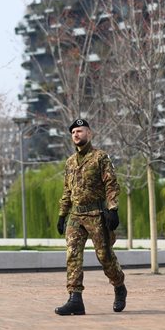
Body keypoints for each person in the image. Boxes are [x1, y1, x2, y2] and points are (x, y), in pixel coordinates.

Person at [55, 118, 127, 316]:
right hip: (76, 215)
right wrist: (62, 215)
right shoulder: (70, 162)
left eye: (80, 131)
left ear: (89, 133)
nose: (76, 135)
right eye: (73, 132)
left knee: (104, 256)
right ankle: (75, 298)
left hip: (96, 214)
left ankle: (119, 286)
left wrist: (113, 209)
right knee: (72, 255)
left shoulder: (100, 157)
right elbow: (67, 191)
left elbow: (111, 184)